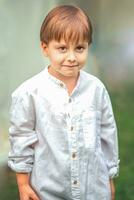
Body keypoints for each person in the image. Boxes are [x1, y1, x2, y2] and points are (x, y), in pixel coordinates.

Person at [8, 4, 119, 200]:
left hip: (92, 189)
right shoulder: (29, 93)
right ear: (45, 48)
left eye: (79, 48)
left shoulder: (96, 89)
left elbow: (107, 134)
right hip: (48, 191)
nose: (71, 57)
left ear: (88, 46)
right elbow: (21, 138)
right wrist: (23, 184)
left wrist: (109, 179)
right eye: (61, 48)